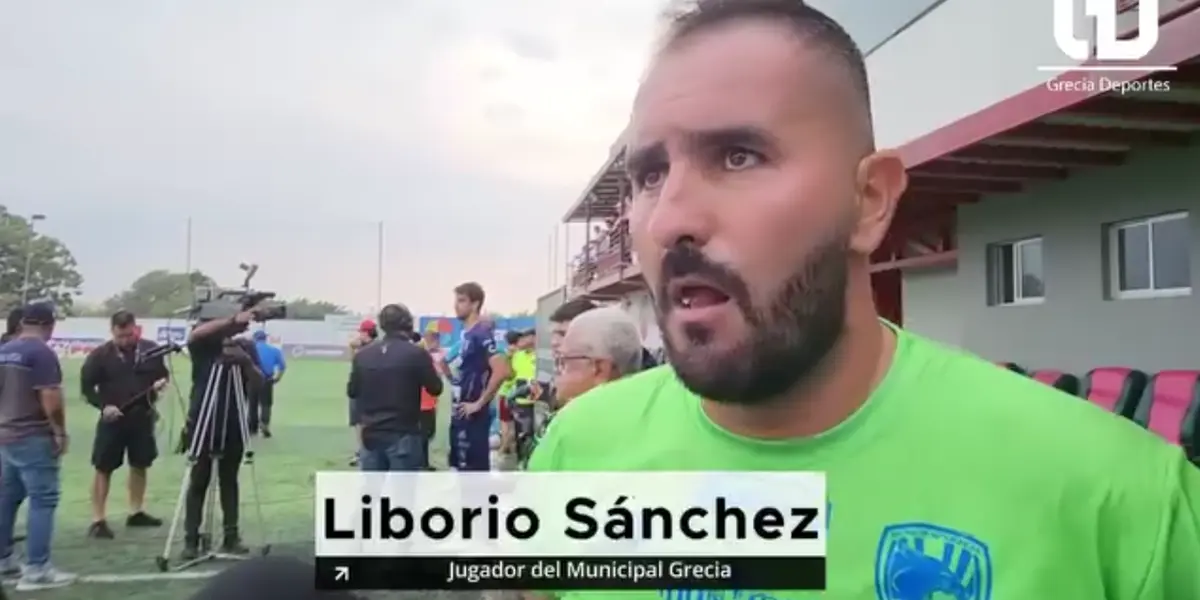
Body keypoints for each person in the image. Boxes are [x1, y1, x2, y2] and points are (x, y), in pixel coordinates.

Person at [528, 2, 1200, 599]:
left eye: (737, 156)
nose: (670, 216)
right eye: (650, 173)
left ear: (870, 202)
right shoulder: (578, 451)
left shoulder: (1122, 499)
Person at [0, 302, 75, 590]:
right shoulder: (41, 353)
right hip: (32, 435)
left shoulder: (5, 349)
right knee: (43, 500)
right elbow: (50, 398)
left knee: (7, 498)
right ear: (49, 324)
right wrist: (59, 432)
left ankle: (4, 558)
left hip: (6, 436)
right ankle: (37, 568)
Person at [181, 308, 265, 560]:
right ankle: (191, 540)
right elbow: (196, 335)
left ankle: (231, 536)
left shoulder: (246, 348)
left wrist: (245, 362)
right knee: (199, 480)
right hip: (203, 420)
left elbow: (260, 382)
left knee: (229, 480)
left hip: (233, 421)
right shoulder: (204, 346)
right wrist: (231, 319)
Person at [80, 310, 169, 539]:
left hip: (142, 417)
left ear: (135, 329)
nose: (125, 340)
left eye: (129, 335)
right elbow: (87, 389)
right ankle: (98, 519)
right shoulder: (100, 356)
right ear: (112, 331)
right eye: (120, 336)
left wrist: (161, 383)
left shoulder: (151, 350)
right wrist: (103, 406)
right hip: (113, 419)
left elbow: (163, 375)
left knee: (140, 463)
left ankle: (136, 511)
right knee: (103, 467)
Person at [347, 304, 442, 471]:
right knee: (402, 495)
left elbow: (352, 391)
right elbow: (435, 388)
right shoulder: (417, 354)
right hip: (404, 433)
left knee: (371, 493)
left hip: (371, 434)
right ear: (406, 323)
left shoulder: (362, 356)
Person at [447, 282, 510, 471]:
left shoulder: (481, 334)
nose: (456, 305)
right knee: (460, 468)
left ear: (475, 304)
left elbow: (502, 371)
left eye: (462, 300)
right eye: (456, 300)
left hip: (473, 416)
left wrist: (479, 403)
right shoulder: (467, 335)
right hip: (460, 412)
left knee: (472, 473)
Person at [346, 319, 377, 467]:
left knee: (361, 422)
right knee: (359, 422)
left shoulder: (368, 350)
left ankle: (363, 452)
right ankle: (361, 451)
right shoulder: (373, 347)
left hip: (362, 389)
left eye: (361, 332)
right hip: (365, 388)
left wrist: (353, 346)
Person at [249, 330, 285, 438]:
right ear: (265, 339)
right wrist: (277, 378)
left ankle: (252, 427)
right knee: (266, 404)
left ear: (254, 339)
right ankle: (264, 424)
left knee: (252, 404)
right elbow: (282, 366)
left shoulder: (250, 350)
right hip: (267, 379)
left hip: (252, 379)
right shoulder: (274, 350)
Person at [417, 324, 444, 469]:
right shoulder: (421, 353)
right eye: (433, 336)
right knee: (424, 433)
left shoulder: (437, 353)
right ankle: (421, 463)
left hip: (431, 399)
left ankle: (423, 462)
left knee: (428, 432)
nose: (435, 339)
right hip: (422, 400)